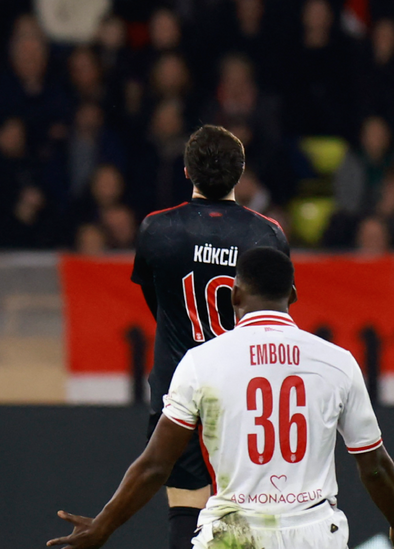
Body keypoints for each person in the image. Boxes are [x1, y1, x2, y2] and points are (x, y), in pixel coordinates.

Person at [48, 248, 394, 549]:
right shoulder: (337, 362)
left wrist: (102, 527)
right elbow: (373, 464)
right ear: (292, 295)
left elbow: (156, 465)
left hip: (233, 533)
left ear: (235, 295)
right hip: (315, 533)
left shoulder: (201, 362)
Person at [128, 125, 290, 549]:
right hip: (244, 390)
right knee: (248, 512)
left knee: (186, 510)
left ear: (186, 171)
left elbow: (158, 302)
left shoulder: (157, 229)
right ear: (241, 173)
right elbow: (275, 313)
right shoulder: (266, 235)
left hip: (178, 386)